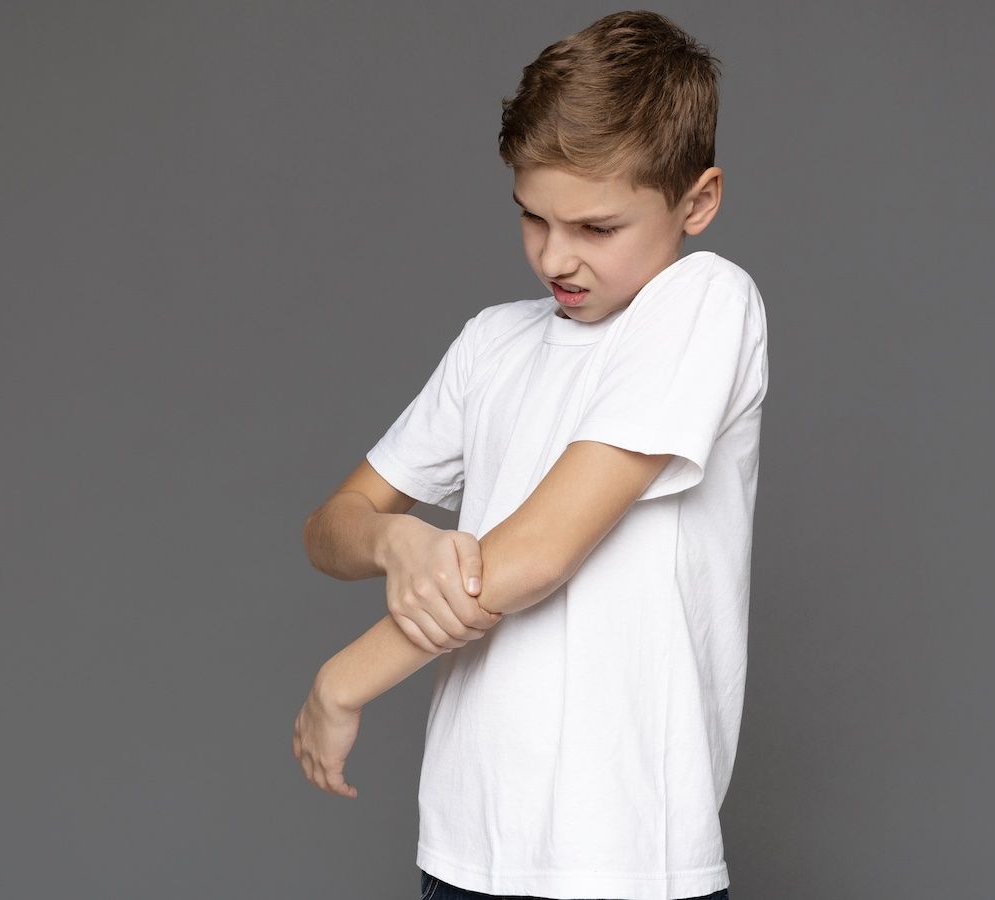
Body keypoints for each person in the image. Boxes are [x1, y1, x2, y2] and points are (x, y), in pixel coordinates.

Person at [294, 11, 767, 900]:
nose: (556, 257)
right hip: (466, 846)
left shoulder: (704, 303)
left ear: (696, 202)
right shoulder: (493, 343)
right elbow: (331, 527)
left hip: (622, 856)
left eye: (596, 228)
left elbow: (537, 555)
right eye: (532, 219)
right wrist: (399, 543)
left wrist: (343, 679)